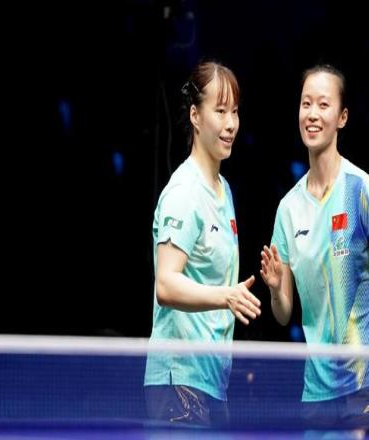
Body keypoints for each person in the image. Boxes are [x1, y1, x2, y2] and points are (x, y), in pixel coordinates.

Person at [260, 64, 369, 428]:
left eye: (323, 104)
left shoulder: (360, 188)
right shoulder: (288, 209)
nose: (312, 114)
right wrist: (274, 289)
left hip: (367, 379)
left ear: (342, 117)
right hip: (317, 389)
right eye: (306, 104)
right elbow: (284, 314)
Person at [145, 61, 261, 428]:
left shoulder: (223, 191)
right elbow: (166, 284)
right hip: (178, 380)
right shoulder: (184, 192)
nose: (231, 124)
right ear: (195, 116)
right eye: (220, 111)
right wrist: (227, 296)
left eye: (235, 112)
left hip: (211, 379)